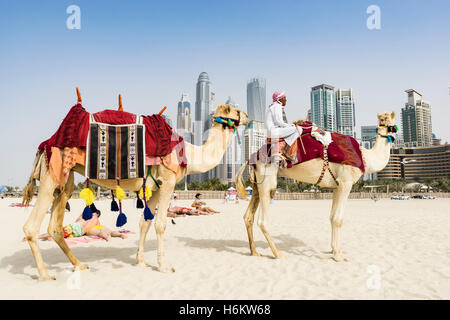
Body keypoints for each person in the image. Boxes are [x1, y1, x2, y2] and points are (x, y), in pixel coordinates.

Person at [265, 91, 301, 161]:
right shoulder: (277, 106)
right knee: (298, 129)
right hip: (274, 131)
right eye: (284, 97)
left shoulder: (273, 106)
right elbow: (279, 122)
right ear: (279, 99)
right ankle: (286, 150)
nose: (286, 99)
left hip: (271, 131)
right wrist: (292, 125)